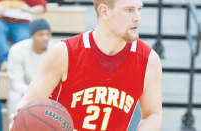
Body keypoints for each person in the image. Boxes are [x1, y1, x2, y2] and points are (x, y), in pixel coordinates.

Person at [10, 0, 163, 130]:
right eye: (129, 10)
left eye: (139, 9)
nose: (137, 17)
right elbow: (29, 101)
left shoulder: (149, 60)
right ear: (104, 12)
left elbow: (152, 114)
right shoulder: (65, 53)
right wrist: (21, 117)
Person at [7, 19, 54, 123]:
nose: (45, 38)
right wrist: (35, 94)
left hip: (47, 93)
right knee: (14, 96)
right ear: (32, 36)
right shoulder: (17, 50)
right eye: (41, 34)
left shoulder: (54, 50)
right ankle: (14, 127)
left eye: (47, 34)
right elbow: (16, 84)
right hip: (25, 92)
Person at [0, 0, 47, 65]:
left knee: (23, 36)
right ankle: (5, 61)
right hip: (0, 22)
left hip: (21, 23)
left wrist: (30, 9)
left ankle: (20, 62)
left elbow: (41, 7)